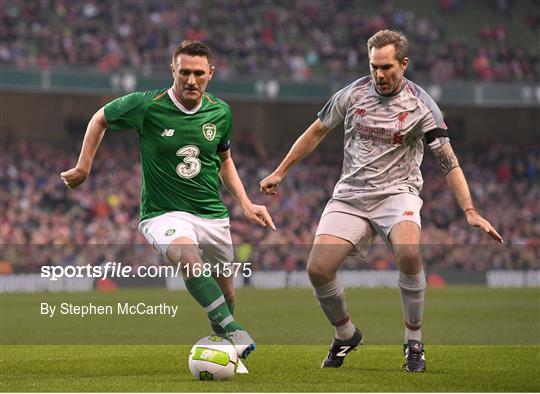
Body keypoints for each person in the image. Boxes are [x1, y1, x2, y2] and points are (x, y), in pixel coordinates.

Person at [260, 30, 502, 372]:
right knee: (317, 269)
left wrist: (470, 210)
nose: (379, 74)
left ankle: (413, 340)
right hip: (351, 195)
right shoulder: (352, 94)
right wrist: (280, 172)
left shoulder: (422, 106)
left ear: (403, 64)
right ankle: (345, 334)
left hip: (397, 194)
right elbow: (315, 131)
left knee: (408, 252)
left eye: (386, 67)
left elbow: (448, 161)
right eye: (374, 66)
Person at [61, 41, 275, 366]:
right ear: (172, 70)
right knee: (188, 258)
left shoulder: (221, 111)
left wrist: (245, 203)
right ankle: (234, 331)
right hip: (162, 213)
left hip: (211, 214)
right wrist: (83, 166)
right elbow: (99, 119)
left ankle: (224, 352)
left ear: (211, 74)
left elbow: (224, 160)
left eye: (199, 74)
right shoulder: (147, 106)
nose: (191, 80)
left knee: (227, 294)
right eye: (185, 72)